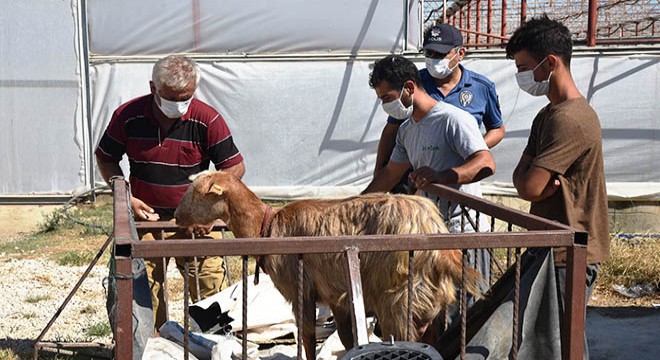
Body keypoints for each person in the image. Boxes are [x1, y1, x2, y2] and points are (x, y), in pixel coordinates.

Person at [95, 54, 245, 331]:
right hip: (147, 218)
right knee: (142, 288)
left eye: (185, 96)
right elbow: (105, 157)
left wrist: (208, 210)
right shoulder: (128, 116)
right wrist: (125, 196)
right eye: (171, 97)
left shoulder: (207, 119)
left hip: (196, 220)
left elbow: (234, 167)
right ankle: (152, 346)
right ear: (153, 88)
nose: (179, 104)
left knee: (210, 283)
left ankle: (214, 344)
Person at [506, 15, 609, 359]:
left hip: (571, 251)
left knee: (565, 342)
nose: (521, 76)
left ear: (550, 62)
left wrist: (530, 177)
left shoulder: (570, 118)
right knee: (547, 341)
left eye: (524, 66)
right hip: (553, 247)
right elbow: (524, 181)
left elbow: (531, 186)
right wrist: (530, 177)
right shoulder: (547, 115)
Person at [362, 54, 495, 295]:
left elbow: (485, 163)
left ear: (409, 88)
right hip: (432, 233)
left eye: (388, 98)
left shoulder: (452, 119)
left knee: (471, 310)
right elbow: (391, 173)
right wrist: (357, 204)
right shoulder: (407, 130)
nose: (385, 106)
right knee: (438, 309)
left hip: (464, 232)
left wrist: (443, 176)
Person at [375, 23, 504, 193]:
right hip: (416, 175)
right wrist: (379, 172)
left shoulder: (481, 87)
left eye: (440, 53)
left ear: (460, 54)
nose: (434, 58)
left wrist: (468, 146)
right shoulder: (414, 84)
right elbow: (392, 130)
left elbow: (497, 129)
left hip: (460, 178)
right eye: (429, 53)